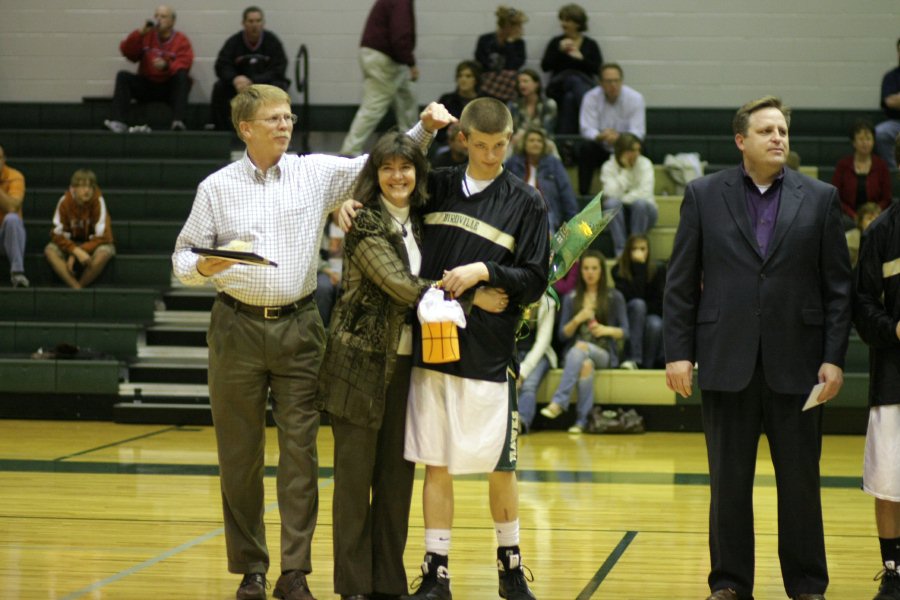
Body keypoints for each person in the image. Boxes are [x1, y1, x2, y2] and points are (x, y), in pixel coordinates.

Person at [172, 84, 452, 600]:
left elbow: (381, 164)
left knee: (300, 454)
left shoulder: (312, 171)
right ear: (245, 129)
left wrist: (427, 128)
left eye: (288, 117)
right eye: (274, 118)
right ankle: (252, 569)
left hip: (301, 327)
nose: (285, 125)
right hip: (234, 327)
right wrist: (203, 266)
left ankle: (293, 572)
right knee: (239, 457)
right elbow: (182, 258)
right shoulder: (216, 186)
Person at [664, 96, 852, 600]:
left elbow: (838, 288)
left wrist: (834, 357)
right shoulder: (704, 195)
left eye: (783, 131)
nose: (778, 138)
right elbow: (680, 281)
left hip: (800, 364)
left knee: (801, 486)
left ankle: (808, 584)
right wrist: (677, 351)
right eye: (766, 130)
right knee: (727, 485)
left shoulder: (820, 198)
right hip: (727, 361)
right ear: (740, 140)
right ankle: (729, 584)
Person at [400, 97, 548, 599]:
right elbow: (391, 185)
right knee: (436, 463)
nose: (490, 155)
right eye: (481, 145)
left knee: (499, 465)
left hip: (489, 356)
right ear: (463, 138)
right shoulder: (436, 184)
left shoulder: (527, 202)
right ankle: (436, 571)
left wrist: (486, 273)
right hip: (435, 347)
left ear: (511, 138)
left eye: (500, 145)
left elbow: (534, 279)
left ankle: (510, 568)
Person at [853, 132, 900, 600]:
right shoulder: (881, 232)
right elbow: (862, 307)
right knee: (890, 484)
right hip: (894, 381)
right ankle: (894, 570)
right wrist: (896, 330)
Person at [540, 249, 627, 434]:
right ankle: (582, 421)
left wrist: (605, 330)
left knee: (581, 347)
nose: (590, 272)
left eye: (594, 268)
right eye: (586, 268)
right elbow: (562, 335)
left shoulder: (614, 296)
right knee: (585, 364)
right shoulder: (572, 298)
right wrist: (577, 319)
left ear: (602, 271)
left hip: (604, 352)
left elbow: (625, 332)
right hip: (575, 354)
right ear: (580, 272)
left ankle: (559, 402)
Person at [340, 0, 419, 157]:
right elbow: (400, 35)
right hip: (386, 58)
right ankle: (349, 151)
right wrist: (410, 62)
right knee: (375, 105)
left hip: (382, 56)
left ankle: (413, 147)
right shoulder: (401, 2)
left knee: (406, 99)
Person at [104, 5, 194, 133]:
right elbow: (128, 52)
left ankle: (178, 122)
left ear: (172, 21)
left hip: (168, 88)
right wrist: (139, 33)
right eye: (156, 16)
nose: (158, 19)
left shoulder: (181, 40)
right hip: (147, 84)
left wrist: (166, 66)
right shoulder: (146, 36)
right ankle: (118, 122)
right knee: (123, 76)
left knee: (183, 77)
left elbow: (185, 63)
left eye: (163, 16)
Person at [207, 6, 290, 131]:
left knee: (280, 87)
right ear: (243, 23)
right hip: (239, 86)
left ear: (263, 23)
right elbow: (222, 64)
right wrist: (234, 79)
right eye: (251, 21)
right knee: (219, 87)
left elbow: (279, 68)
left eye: (258, 21)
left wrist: (253, 81)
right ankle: (221, 130)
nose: (254, 25)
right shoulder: (234, 42)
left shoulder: (272, 42)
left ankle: (279, 129)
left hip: (264, 84)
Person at [579, 63, 646, 196]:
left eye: (616, 80)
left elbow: (638, 131)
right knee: (585, 149)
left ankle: (639, 192)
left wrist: (620, 138)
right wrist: (600, 136)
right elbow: (586, 128)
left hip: (624, 148)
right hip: (601, 146)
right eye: (609, 81)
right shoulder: (590, 97)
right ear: (601, 83)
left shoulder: (635, 98)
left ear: (622, 81)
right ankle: (584, 196)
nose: (613, 85)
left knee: (641, 147)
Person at [45, 169, 116, 289]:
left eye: (90, 186)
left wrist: (77, 252)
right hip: (70, 243)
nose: (87, 190)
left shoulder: (98, 201)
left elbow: (105, 236)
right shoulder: (65, 202)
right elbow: (56, 234)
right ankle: (75, 287)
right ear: (73, 188)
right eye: (82, 186)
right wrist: (74, 250)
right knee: (49, 251)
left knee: (105, 252)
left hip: (92, 244)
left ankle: (80, 286)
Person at [540, 3, 602, 135]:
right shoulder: (556, 42)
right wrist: (560, 51)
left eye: (567, 20)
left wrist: (580, 58)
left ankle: (565, 141)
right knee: (573, 79)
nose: (563, 24)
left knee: (570, 98)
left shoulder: (590, 45)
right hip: (558, 86)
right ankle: (592, 119)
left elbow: (598, 69)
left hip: (582, 85)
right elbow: (545, 67)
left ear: (578, 23)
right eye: (562, 20)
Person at [505, 126, 578, 234]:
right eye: (531, 140)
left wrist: (572, 221)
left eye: (539, 141)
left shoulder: (554, 164)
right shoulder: (513, 163)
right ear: (524, 144)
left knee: (545, 220)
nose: (536, 143)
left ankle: (545, 250)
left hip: (546, 212)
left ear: (544, 145)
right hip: (518, 211)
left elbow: (566, 192)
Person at [611, 234, 665, 370]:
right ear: (628, 251)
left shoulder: (658, 270)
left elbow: (659, 302)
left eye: (642, 249)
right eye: (634, 249)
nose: (638, 253)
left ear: (648, 250)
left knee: (656, 324)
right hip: (628, 315)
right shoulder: (618, 271)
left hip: (649, 314)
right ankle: (633, 358)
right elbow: (631, 297)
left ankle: (646, 365)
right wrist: (639, 267)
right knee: (638, 305)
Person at [599, 132, 656, 256]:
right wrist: (625, 171)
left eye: (638, 150)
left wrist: (623, 198)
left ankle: (636, 248)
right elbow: (610, 193)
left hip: (645, 213)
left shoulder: (645, 164)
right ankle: (622, 252)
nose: (636, 154)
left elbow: (645, 194)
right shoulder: (608, 167)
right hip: (620, 215)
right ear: (621, 151)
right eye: (632, 151)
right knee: (611, 204)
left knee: (639, 204)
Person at [832, 120, 893, 230]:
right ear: (854, 142)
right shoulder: (843, 165)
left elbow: (887, 198)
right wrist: (854, 216)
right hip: (848, 215)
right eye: (861, 139)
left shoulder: (881, 165)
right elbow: (836, 197)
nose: (865, 143)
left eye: (868, 139)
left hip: (875, 213)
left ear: (873, 141)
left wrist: (874, 213)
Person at [515, 292, 557, 434]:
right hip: (514, 353)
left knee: (529, 385)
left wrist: (523, 372)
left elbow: (543, 342)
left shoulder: (548, 303)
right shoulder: (513, 298)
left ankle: (521, 422)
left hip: (540, 355)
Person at [474, 6, 527, 103]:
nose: (521, 29)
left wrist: (510, 43)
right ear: (507, 26)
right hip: (486, 82)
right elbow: (481, 63)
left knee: (513, 77)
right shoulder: (486, 40)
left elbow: (514, 66)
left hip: (507, 85)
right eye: (518, 26)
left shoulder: (519, 43)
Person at [507, 69, 558, 157]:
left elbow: (547, 131)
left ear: (536, 84)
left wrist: (526, 134)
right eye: (519, 82)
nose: (521, 85)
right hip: (519, 141)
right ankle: (501, 170)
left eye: (525, 81)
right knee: (507, 145)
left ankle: (557, 170)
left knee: (551, 145)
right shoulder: (514, 105)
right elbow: (511, 130)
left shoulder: (549, 104)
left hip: (541, 140)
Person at [434, 61, 483, 147]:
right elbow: (437, 130)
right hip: (449, 145)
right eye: (460, 76)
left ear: (476, 80)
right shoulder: (447, 100)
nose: (463, 79)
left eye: (468, 76)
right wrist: (452, 137)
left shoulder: (484, 102)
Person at [0, 145, 28, 288]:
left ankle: (17, 273)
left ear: (4, 160)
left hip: (7, 237)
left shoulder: (15, 177)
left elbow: (12, 207)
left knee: (12, 218)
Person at [874, 38, 900, 173]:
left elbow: (894, 100)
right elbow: (889, 101)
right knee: (880, 133)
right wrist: (894, 100)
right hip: (895, 123)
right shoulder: (890, 77)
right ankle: (894, 171)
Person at [846, 202, 883, 269]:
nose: (874, 222)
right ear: (860, 221)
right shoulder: (849, 240)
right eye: (869, 218)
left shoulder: (885, 239)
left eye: (877, 218)